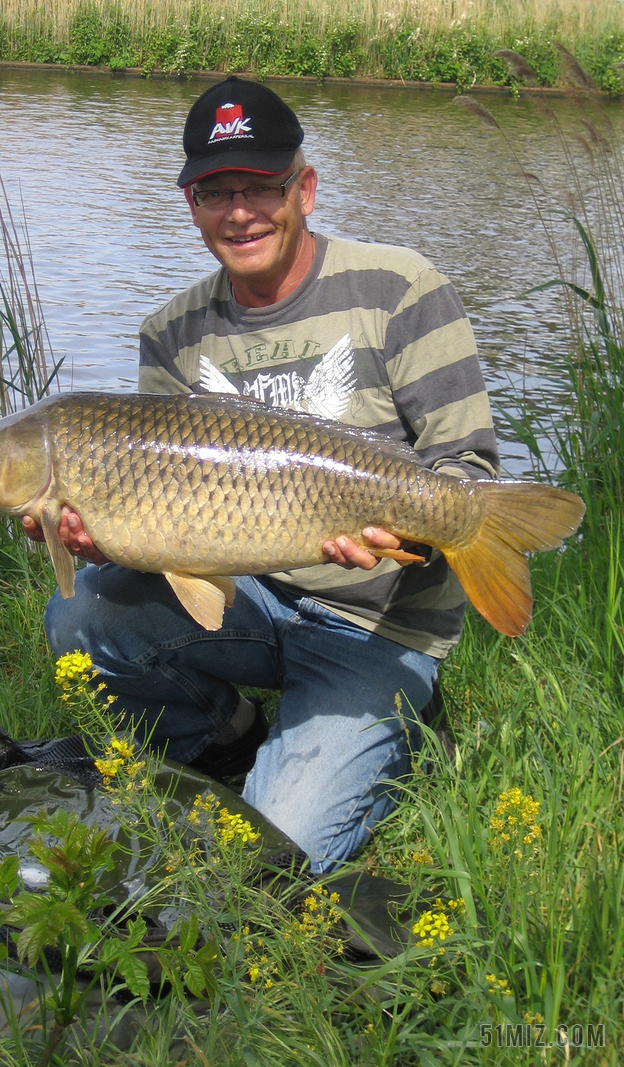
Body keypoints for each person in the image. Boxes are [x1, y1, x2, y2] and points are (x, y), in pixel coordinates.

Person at [25, 76, 499, 873]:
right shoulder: (171, 333)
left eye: (260, 186)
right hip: (254, 593)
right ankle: (225, 735)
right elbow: (166, 513)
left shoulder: (400, 288)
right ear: (192, 206)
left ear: (303, 188)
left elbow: (468, 465)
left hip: (375, 620)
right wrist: (103, 536)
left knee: (274, 858)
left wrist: (408, 531)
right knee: (79, 621)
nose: (239, 211)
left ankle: (404, 731)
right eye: (216, 191)